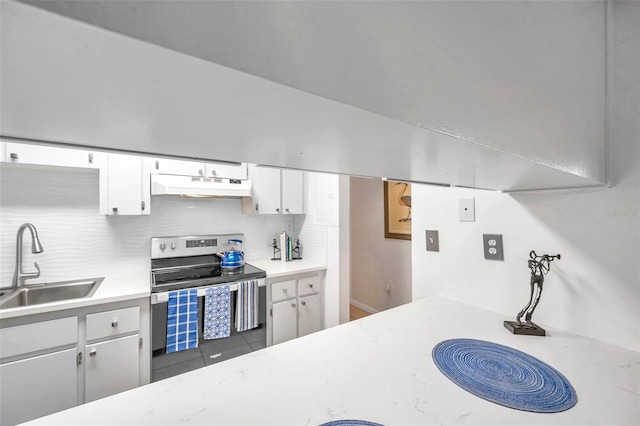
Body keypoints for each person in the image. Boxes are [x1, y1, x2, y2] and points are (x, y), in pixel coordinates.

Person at [516, 251, 561, 327]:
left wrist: (547, 260)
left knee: (537, 300)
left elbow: (546, 270)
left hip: (540, 278)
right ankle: (519, 315)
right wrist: (542, 260)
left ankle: (528, 318)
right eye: (532, 254)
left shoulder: (540, 261)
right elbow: (534, 267)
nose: (535, 256)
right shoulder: (530, 262)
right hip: (534, 278)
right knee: (531, 300)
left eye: (535, 254)